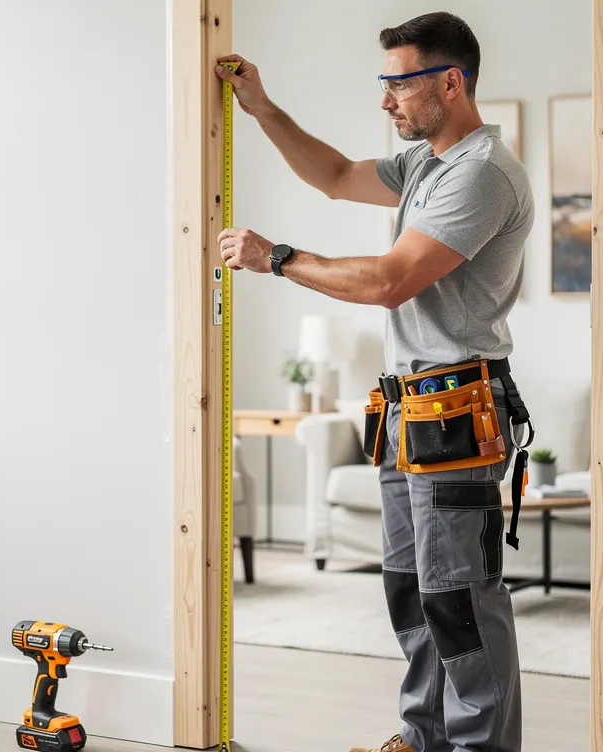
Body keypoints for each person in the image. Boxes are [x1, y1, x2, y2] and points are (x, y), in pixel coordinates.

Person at [215, 11, 535, 752]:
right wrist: (262, 108)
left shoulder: (481, 173)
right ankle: (423, 739)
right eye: (382, 84)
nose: (384, 101)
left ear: (450, 84)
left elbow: (391, 282)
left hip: (457, 413)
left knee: (460, 601)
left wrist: (279, 257)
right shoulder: (429, 164)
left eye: (398, 84)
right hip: (404, 414)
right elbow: (331, 176)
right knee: (413, 594)